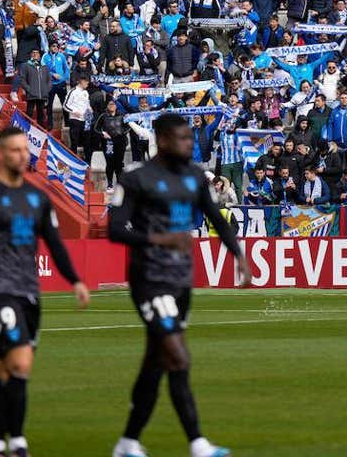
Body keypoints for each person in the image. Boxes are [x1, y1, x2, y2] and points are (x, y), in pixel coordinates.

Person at [107, 113, 251, 457]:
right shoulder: (136, 177)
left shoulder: (194, 177)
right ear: (163, 139)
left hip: (181, 279)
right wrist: (159, 239)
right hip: (149, 279)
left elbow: (216, 218)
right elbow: (115, 228)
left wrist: (238, 254)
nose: (190, 143)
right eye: (183, 138)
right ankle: (198, 443)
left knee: (156, 362)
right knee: (177, 356)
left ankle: (127, 442)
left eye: (191, 138)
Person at [0, 127, 90, 457]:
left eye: (25, 150)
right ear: (0, 153)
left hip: (29, 292)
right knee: (21, 363)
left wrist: (76, 281)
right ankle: (19, 441)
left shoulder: (37, 198)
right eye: (14, 150)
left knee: (8, 369)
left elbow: (55, 244)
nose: (22, 156)